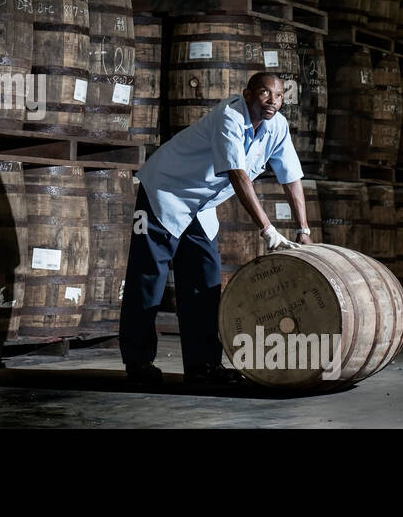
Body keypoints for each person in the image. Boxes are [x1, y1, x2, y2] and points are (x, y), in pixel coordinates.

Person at [119, 72, 312, 385]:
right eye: (264, 93)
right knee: (147, 280)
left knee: (204, 283)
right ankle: (138, 363)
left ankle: (203, 366)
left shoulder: (277, 126)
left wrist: (303, 229)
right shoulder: (229, 117)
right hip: (165, 193)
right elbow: (238, 176)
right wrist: (268, 230)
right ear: (248, 94)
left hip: (201, 206)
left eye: (278, 96)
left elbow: (291, 176)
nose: (272, 102)